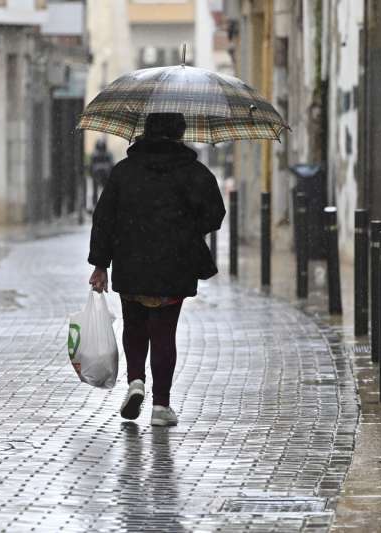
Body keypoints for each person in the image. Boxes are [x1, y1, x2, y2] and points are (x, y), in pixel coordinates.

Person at [87, 113, 224, 426]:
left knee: (134, 327)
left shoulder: (124, 172)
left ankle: (136, 380)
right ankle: (161, 405)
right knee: (164, 332)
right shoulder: (194, 172)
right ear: (179, 133)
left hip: (130, 261)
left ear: (144, 131)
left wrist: (100, 264)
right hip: (174, 265)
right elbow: (215, 214)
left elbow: (103, 219)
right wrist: (188, 228)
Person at [89, 138, 114, 208]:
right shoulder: (94, 156)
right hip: (97, 176)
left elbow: (112, 165)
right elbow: (91, 167)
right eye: (100, 148)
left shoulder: (108, 155)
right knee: (95, 190)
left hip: (106, 176)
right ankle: (95, 204)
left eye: (102, 148)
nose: (101, 151)